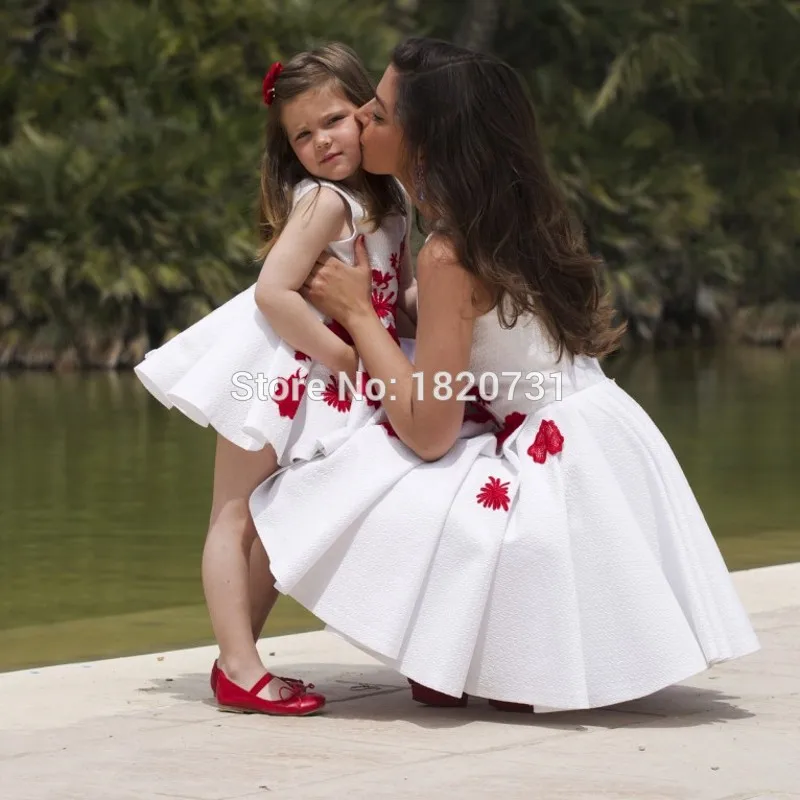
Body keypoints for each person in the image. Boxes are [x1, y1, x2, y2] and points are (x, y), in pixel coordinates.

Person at [247, 37, 760, 713]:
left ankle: (477, 654)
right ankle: (476, 660)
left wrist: (356, 315)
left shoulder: (448, 254)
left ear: (422, 144)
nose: (361, 121)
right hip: (608, 442)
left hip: (555, 471)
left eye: (377, 113)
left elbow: (430, 427)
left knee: (328, 479)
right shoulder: (514, 214)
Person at [134, 42, 417, 716]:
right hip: (279, 368)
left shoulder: (394, 196)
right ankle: (239, 665)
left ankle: (241, 659)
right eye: (302, 135)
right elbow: (273, 293)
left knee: (282, 516)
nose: (321, 141)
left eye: (334, 120)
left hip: (337, 366)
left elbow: (397, 291)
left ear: (366, 112)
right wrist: (346, 358)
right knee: (234, 516)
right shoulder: (324, 204)